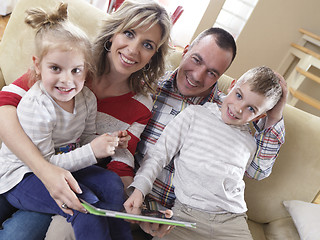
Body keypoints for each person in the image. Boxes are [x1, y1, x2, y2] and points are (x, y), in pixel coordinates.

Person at [0, 0, 171, 239]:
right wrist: (48, 171)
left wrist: (135, 203)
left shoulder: (123, 101)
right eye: (129, 33)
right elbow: (5, 104)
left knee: (103, 191)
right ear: (113, 34)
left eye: (147, 44)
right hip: (26, 170)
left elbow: (119, 162)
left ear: (154, 55)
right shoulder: (73, 63)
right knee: (74, 211)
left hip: (75, 172)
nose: (133, 49)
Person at [133, 27, 287, 237]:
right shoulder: (148, 88)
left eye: (212, 72)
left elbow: (257, 170)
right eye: (196, 60)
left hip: (202, 216)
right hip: (146, 206)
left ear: (222, 77)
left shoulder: (230, 117)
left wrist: (274, 116)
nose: (197, 76)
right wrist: (137, 197)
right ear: (185, 50)